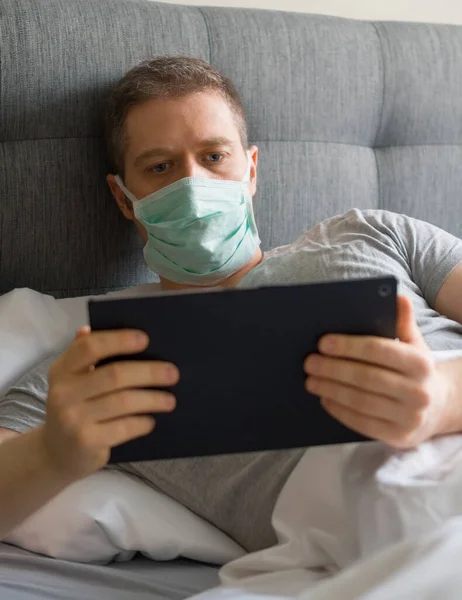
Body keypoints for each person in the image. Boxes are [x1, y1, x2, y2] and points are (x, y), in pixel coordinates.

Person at [0, 57, 461, 553]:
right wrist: (53, 454)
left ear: (252, 168)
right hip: (379, 532)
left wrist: (442, 398)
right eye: (161, 166)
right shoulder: (100, 364)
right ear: (123, 198)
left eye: (215, 156)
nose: (193, 186)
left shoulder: (374, 233)